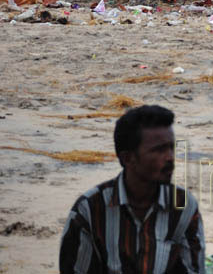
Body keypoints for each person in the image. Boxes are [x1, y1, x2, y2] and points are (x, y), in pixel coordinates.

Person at [59, 105, 204, 274]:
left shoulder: (184, 207)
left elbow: (193, 270)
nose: (170, 158)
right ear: (127, 158)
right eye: (159, 150)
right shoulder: (89, 211)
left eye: (171, 147)